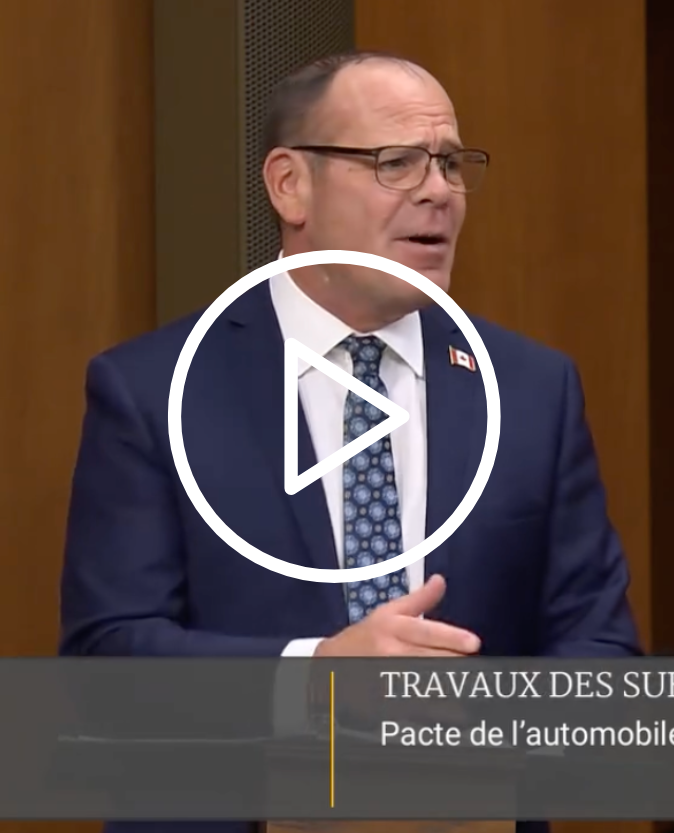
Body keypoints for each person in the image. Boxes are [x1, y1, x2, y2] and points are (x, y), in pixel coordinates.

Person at [59, 50, 643, 831]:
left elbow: (601, 653)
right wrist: (315, 678)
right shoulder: (153, 389)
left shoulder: (531, 390)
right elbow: (105, 664)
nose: (437, 190)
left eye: (450, 163)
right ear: (289, 185)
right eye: (395, 163)